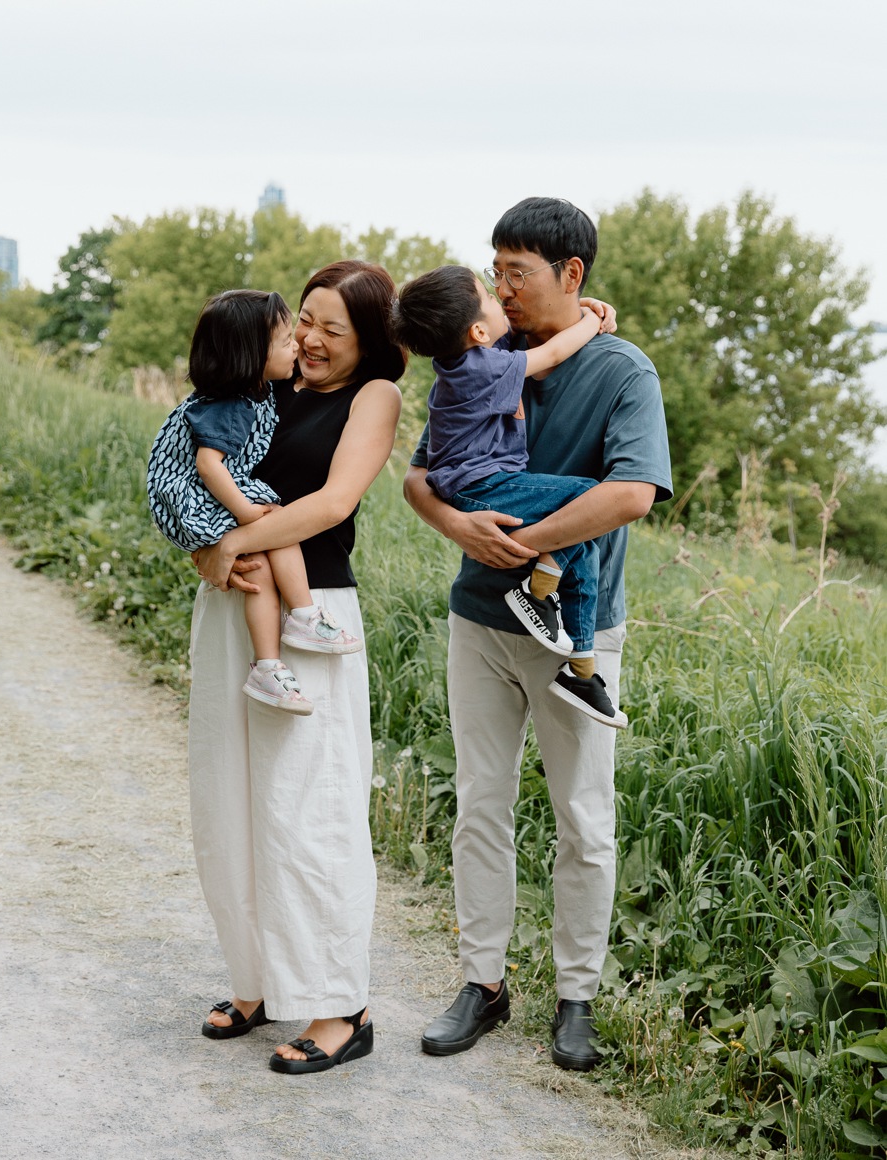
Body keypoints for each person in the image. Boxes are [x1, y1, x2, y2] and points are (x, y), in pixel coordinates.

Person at [404, 198, 672, 1070]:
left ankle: (576, 998)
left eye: (516, 271)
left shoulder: (624, 372)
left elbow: (630, 494)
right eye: (496, 269)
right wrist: (463, 533)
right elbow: (419, 481)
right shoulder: (481, 354)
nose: (501, 286)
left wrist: (517, 539)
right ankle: (481, 983)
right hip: (478, 621)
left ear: (573, 276)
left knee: (583, 822)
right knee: (480, 806)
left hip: (576, 638)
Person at [187, 261, 405, 1074]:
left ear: (371, 341)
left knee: (310, 806)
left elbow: (330, 504)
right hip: (234, 605)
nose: (309, 339)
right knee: (229, 795)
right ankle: (257, 981)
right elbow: (199, 475)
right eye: (303, 321)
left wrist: (231, 543)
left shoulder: (372, 398)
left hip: (314, 618)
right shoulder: (259, 387)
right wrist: (207, 559)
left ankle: (338, 1002)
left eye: (332, 329)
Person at [391, 264, 626, 729]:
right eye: (491, 295)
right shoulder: (486, 368)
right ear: (478, 330)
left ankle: (580, 667)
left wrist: (583, 305)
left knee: (580, 551)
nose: (502, 297)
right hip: (484, 488)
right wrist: (591, 322)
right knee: (586, 498)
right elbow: (556, 351)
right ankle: (538, 587)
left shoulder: (462, 360)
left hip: (473, 486)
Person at [146, 289, 362, 717]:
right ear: (251, 357)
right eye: (287, 340)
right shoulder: (231, 404)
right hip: (193, 494)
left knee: (261, 559)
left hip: (201, 494)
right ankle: (302, 615)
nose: (298, 344)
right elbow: (209, 465)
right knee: (275, 520)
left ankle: (268, 663)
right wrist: (245, 514)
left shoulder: (252, 391)